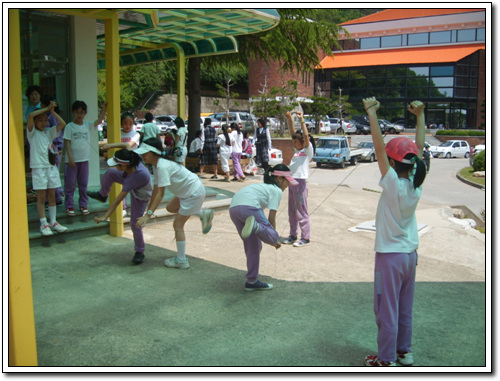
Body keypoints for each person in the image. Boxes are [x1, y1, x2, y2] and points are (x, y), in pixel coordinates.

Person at [362, 97, 427, 367]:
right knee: (403, 308)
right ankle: (403, 352)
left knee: (385, 309)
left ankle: (386, 359)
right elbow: (419, 150)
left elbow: (378, 147)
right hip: (409, 256)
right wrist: (420, 117)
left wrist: (371, 113)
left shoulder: (392, 183)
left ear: (391, 160)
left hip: (389, 257)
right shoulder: (415, 181)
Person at [135, 138, 215, 270]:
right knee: (170, 208)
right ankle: (202, 213)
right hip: (187, 191)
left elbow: (160, 194)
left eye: (145, 152)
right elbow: (156, 190)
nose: (143, 155)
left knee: (177, 225)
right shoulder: (157, 165)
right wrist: (148, 212)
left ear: (154, 152)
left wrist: (148, 215)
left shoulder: (161, 166)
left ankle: (182, 260)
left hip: (193, 192)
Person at [229, 164, 298, 291]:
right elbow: (271, 218)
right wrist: (273, 240)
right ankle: (255, 226)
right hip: (249, 207)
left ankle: (252, 281)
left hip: (233, 208)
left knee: (254, 246)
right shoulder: (276, 190)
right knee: (274, 235)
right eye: (287, 182)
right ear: (279, 179)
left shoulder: (261, 187)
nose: (288, 186)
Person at [90, 149, 153, 265]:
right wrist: (110, 145)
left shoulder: (135, 177)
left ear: (123, 166)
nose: (116, 167)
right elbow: (126, 145)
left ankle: (140, 251)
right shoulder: (132, 158)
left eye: (117, 165)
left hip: (141, 196)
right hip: (132, 180)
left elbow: (118, 200)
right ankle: (102, 194)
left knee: (135, 223)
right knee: (110, 172)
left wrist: (105, 216)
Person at [26, 101, 68, 236]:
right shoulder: (32, 133)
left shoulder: (48, 132)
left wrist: (52, 111)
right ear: (36, 121)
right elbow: (31, 115)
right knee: (41, 197)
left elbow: (63, 124)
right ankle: (43, 223)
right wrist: (45, 109)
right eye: (40, 120)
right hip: (39, 169)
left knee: (51, 195)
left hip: (51, 168)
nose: (43, 123)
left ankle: (53, 222)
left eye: (45, 120)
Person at [63, 100, 107, 216]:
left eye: (82, 113)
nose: (79, 115)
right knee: (70, 185)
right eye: (77, 113)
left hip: (84, 161)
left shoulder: (87, 125)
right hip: (71, 162)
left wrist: (104, 108)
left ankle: (83, 204)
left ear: (85, 113)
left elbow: (99, 121)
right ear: (73, 113)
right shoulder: (69, 126)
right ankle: (69, 206)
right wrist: (70, 158)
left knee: (83, 185)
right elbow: (67, 143)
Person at [283, 111, 313, 247]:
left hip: (300, 183)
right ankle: (292, 235)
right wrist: (290, 119)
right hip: (291, 182)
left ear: (303, 142)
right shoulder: (297, 152)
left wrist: (302, 120)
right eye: (294, 141)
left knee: (301, 210)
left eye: (296, 141)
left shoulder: (307, 151)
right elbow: (292, 133)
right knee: (292, 210)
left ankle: (305, 238)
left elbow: (305, 135)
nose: (294, 143)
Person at [40, 95, 64, 205]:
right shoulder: (46, 117)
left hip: (54, 149)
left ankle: (57, 196)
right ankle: (56, 195)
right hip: (49, 149)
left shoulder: (52, 117)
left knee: (53, 173)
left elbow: (57, 132)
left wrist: (58, 148)